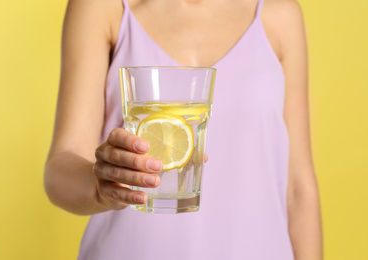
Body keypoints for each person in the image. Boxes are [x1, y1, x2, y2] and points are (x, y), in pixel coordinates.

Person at [44, 0, 323, 259]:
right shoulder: (103, 7)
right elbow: (61, 167)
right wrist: (100, 187)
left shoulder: (279, 14)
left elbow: (298, 189)